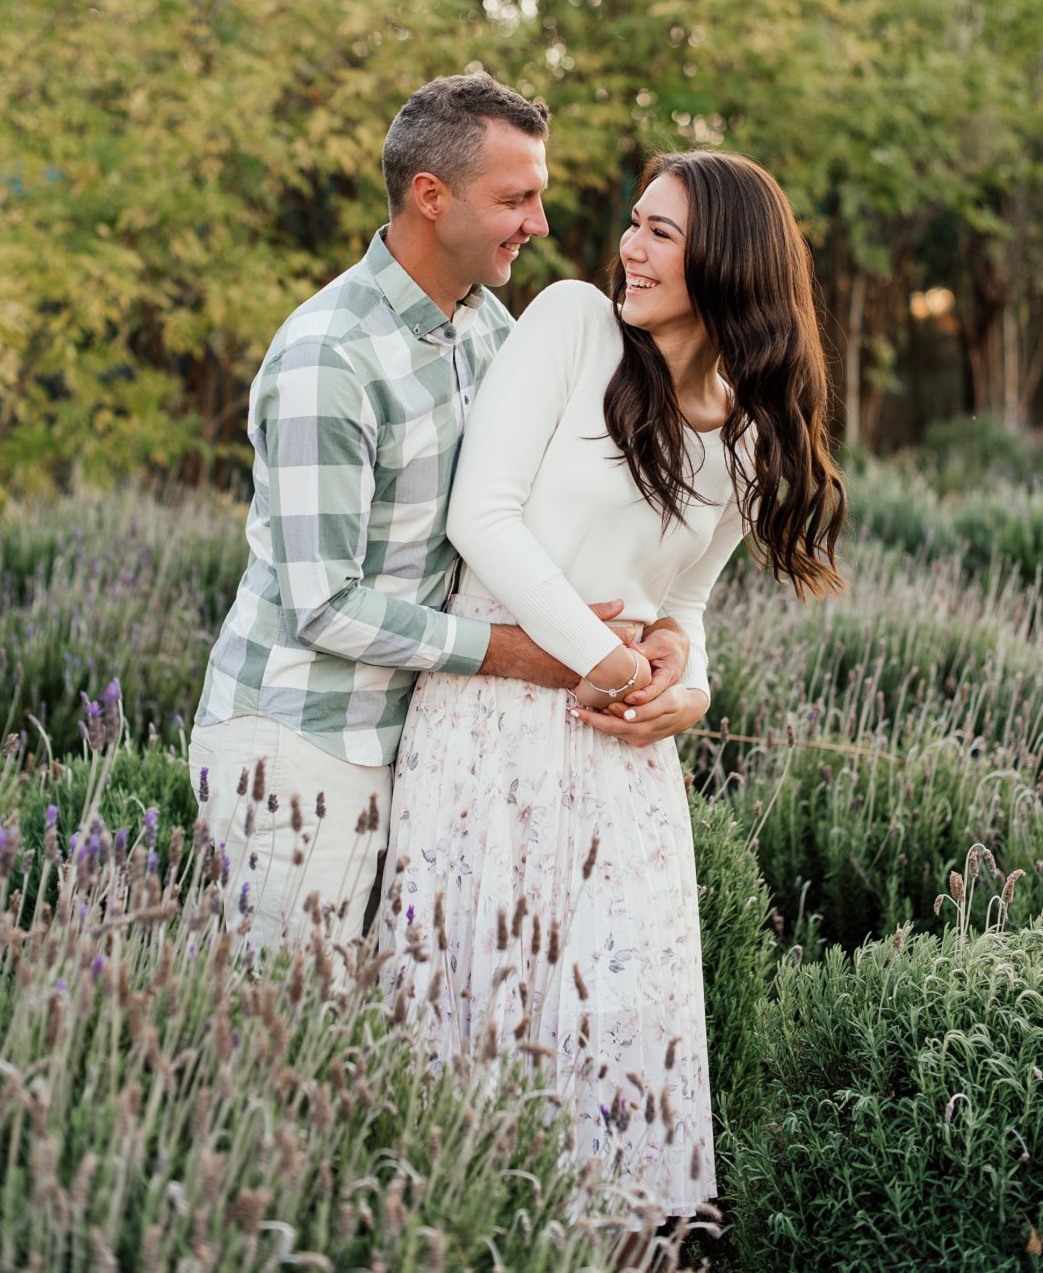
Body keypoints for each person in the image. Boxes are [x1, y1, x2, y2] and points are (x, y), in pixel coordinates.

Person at [380, 150, 846, 1227]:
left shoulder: (745, 435)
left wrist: (689, 682)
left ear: (728, 261)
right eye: (635, 223)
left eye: (663, 232)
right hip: (491, 733)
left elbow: (683, 601)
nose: (630, 246)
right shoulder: (573, 323)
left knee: (610, 1023)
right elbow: (480, 519)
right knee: (478, 1012)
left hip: (622, 761)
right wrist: (610, 659)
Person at [188, 74, 694, 959]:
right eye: (516, 198)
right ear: (431, 197)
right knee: (284, 1040)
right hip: (304, 746)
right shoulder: (327, 359)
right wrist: (523, 655)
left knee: (393, 1040)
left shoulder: (492, 330)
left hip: (428, 751)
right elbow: (324, 602)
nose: (538, 223)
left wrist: (669, 646)